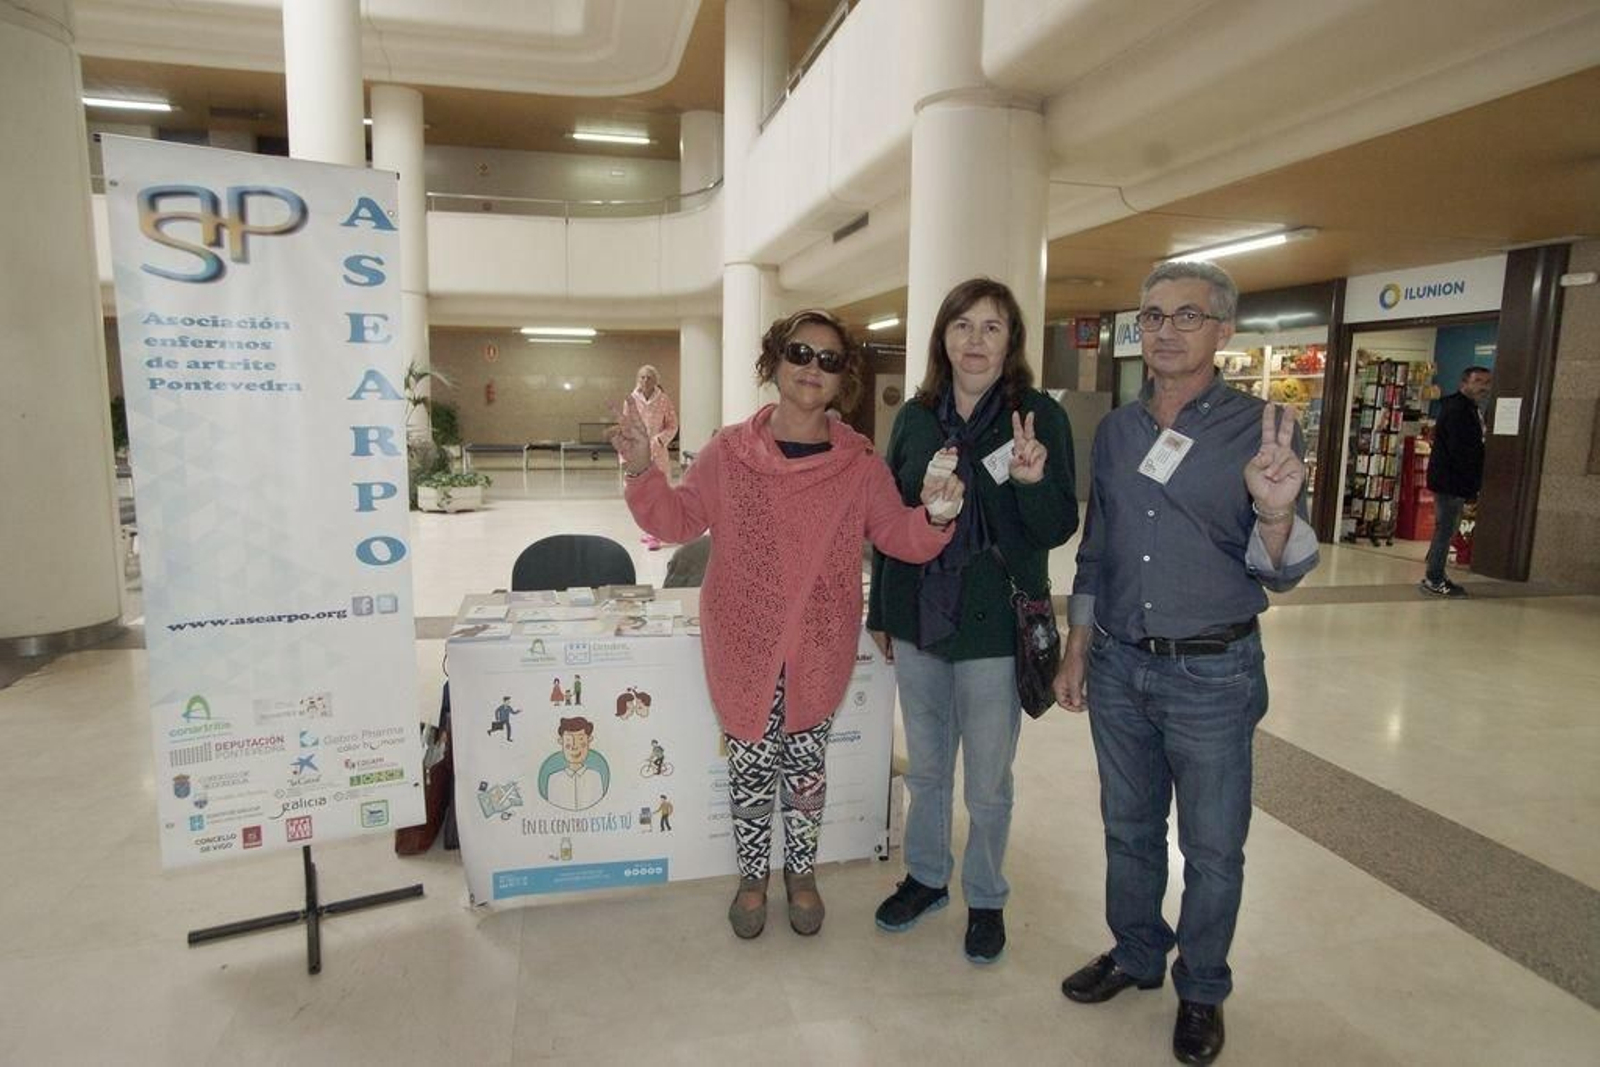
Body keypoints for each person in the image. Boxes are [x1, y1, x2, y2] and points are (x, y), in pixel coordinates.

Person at [611, 308, 964, 939]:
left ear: (842, 380)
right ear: (775, 362)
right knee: (749, 769)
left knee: (805, 768)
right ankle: (754, 876)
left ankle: (801, 873)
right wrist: (644, 470)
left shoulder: (857, 464)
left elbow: (894, 533)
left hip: (819, 646)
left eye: (829, 360)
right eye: (800, 353)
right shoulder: (729, 451)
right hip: (743, 645)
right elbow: (677, 520)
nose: (812, 369)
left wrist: (934, 517)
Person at [1053, 261, 1318, 1066]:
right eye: (1152, 315)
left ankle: (1201, 985)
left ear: (1223, 331)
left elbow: (1282, 568)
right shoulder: (1120, 432)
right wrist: (1078, 643)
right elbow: (1097, 548)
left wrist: (1275, 515)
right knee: (1128, 829)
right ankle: (1136, 952)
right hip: (1122, 668)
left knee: (1211, 846)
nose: (1165, 330)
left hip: (1213, 673)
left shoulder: (1262, 430)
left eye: (1187, 316)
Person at [866, 278, 1079, 965]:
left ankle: (985, 894)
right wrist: (881, 609)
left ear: (1012, 339)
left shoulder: (1037, 416)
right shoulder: (917, 417)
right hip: (920, 616)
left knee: (987, 778)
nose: (976, 340)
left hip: (992, 625)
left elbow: (1055, 527)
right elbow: (886, 521)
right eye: (963, 325)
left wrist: (1030, 480)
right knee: (927, 769)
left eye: (992, 327)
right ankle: (927, 875)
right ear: (942, 338)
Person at [1421, 365, 1492, 597]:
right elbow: (1461, 450)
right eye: (1478, 381)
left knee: (1446, 528)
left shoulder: (1469, 408)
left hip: (1452, 480)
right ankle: (1434, 577)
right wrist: (1470, 483)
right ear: (1464, 383)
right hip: (1451, 481)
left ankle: (1434, 571)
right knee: (1447, 529)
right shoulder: (1458, 410)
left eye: (1486, 382)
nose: (1483, 387)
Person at [628, 364, 679, 551]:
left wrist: (660, 439)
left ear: (656, 380)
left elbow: (673, 424)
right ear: (637, 379)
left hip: (658, 453)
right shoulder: (631, 400)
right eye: (642, 377)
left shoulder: (664, 400)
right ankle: (649, 529)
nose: (645, 381)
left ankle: (656, 533)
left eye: (649, 377)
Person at [537, 716, 610, 812]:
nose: (575, 748)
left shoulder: (595, 776)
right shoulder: (554, 779)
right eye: (568, 744)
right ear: (561, 742)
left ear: (589, 741)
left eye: (581, 744)